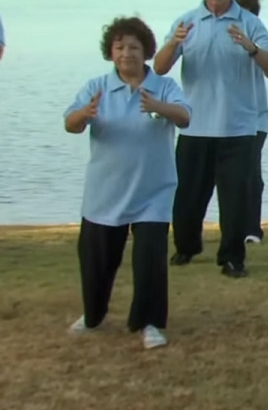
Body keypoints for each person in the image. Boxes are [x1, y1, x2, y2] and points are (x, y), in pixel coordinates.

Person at [64, 17, 191, 349]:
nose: (126, 53)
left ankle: (149, 324)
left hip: (154, 192)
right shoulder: (96, 88)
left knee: (150, 260)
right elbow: (71, 124)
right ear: (110, 51)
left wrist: (158, 107)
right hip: (105, 192)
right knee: (97, 262)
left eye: (133, 47)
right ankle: (93, 316)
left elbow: (185, 116)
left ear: (146, 51)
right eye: (119, 47)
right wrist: (85, 115)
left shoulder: (163, 86)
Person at [153, 0, 268, 278]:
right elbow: (158, 68)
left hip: (238, 128)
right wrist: (173, 43)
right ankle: (186, 247)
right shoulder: (186, 22)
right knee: (187, 197)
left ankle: (232, 258)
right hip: (195, 126)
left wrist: (252, 48)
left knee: (235, 199)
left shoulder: (249, 23)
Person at [231, 0, 268, 245]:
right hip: (216, 121)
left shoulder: (256, 34)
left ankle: (251, 229)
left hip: (254, 119)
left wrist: (251, 47)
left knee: (250, 175)